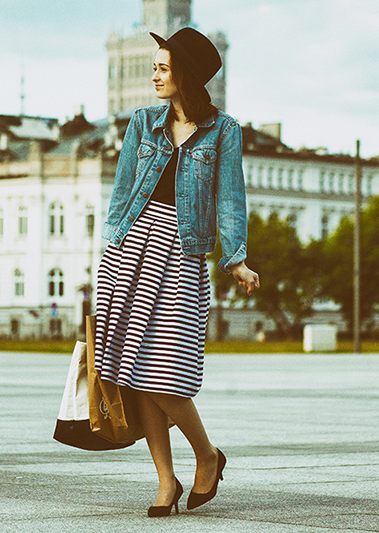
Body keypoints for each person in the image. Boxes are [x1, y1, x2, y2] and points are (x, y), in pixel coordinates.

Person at [93, 27, 260, 517]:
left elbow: (231, 198)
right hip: (130, 250)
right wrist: (109, 250)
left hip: (182, 254)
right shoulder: (142, 123)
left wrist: (237, 258)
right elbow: (122, 191)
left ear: (184, 74)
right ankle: (165, 482)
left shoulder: (223, 130)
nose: (154, 76)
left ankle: (206, 455)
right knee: (135, 373)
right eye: (155, 66)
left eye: (163, 67)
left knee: (166, 375)